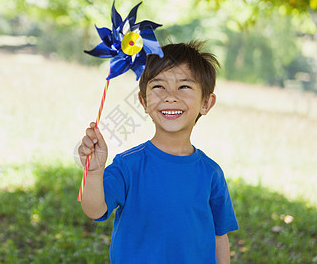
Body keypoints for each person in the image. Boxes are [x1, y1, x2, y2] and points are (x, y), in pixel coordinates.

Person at [78, 41, 238, 264]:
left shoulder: (211, 173)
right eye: (158, 87)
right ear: (143, 101)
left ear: (206, 103)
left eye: (184, 86)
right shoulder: (127, 166)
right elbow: (95, 210)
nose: (170, 96)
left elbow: (219, 236)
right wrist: (94, 171)